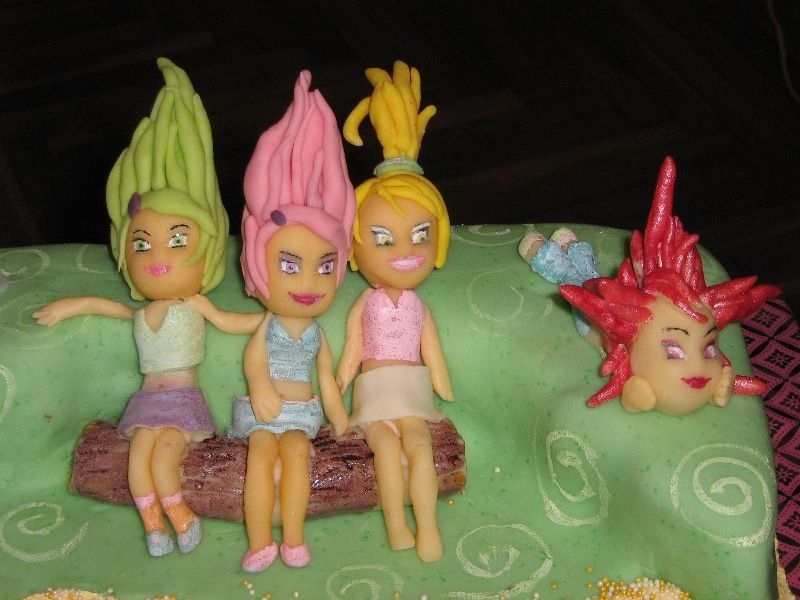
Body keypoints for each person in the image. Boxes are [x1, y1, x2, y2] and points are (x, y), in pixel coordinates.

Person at [34, 58, 261, 556]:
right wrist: (69, 306)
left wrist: (274, 318)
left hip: (180, 399)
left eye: (177, 241)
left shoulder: (194, 303)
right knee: (138, 459)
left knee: (164, 459)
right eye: (142, 243)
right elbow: (102, 306)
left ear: (206, 252)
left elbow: (230, 321)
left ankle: (181, 517)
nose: (158, 256)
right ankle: (155, 525)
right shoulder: (139, 312)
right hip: (146, 402)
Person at [231, 70, 354, 572]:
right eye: (288, 264)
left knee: (299, 455)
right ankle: (260, 540)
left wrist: (339, 415)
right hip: (263, 412)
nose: (308, 281)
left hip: (302, 414)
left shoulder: (319, 333)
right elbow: (253, 361)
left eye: (324, 266)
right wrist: (260, 386)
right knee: (261, 454)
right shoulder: (267, 324)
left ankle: (295, 537)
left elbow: (326, 376)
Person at [337, 60, 453, 563]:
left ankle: (428, 526)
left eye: (420, 236)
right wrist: (338, 387)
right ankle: (396, 524)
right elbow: (352, 348)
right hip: (374, 390)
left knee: (420, 448)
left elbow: (432, 348)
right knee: (385, 451)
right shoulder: (364, 302)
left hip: (410, 387)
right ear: (355, 248)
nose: (405, 251)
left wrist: (443, 384)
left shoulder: (419, 305)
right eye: (383, 239)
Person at [560, 156, 780, 415]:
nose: (697, 366)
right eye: (673, 351)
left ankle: (574, 249)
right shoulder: (629, 325)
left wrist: (723, 386)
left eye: (709, 349)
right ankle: (552, 251)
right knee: (579, 280)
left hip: (618, 296)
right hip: (595, 317)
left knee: (587, 276)